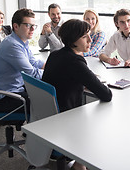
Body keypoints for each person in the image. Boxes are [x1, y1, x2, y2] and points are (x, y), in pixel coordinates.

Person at [42, 19, 112, 170]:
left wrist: (84, 79)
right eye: (85, 37)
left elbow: (65, 77)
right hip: (66, 117)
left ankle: (79, 163)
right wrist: (91, 80)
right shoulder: (75, 61)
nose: (90, 39)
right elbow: (106, 95)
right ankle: (79, 165)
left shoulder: (55, 55)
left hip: (48, 114)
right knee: (104, 121)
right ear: (73, 40)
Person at [0, 8, 45, 114]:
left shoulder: (22, 41)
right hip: (5, 97)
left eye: (34, 26)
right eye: (28, 25)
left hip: (17, 88)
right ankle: (30, 130)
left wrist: (50, 65)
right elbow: (31, 73)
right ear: (16, 26)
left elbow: (34, 62)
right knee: (45, 102)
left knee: (45, 93)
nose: (32, 29)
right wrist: (54, 72)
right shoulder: (12, 45)